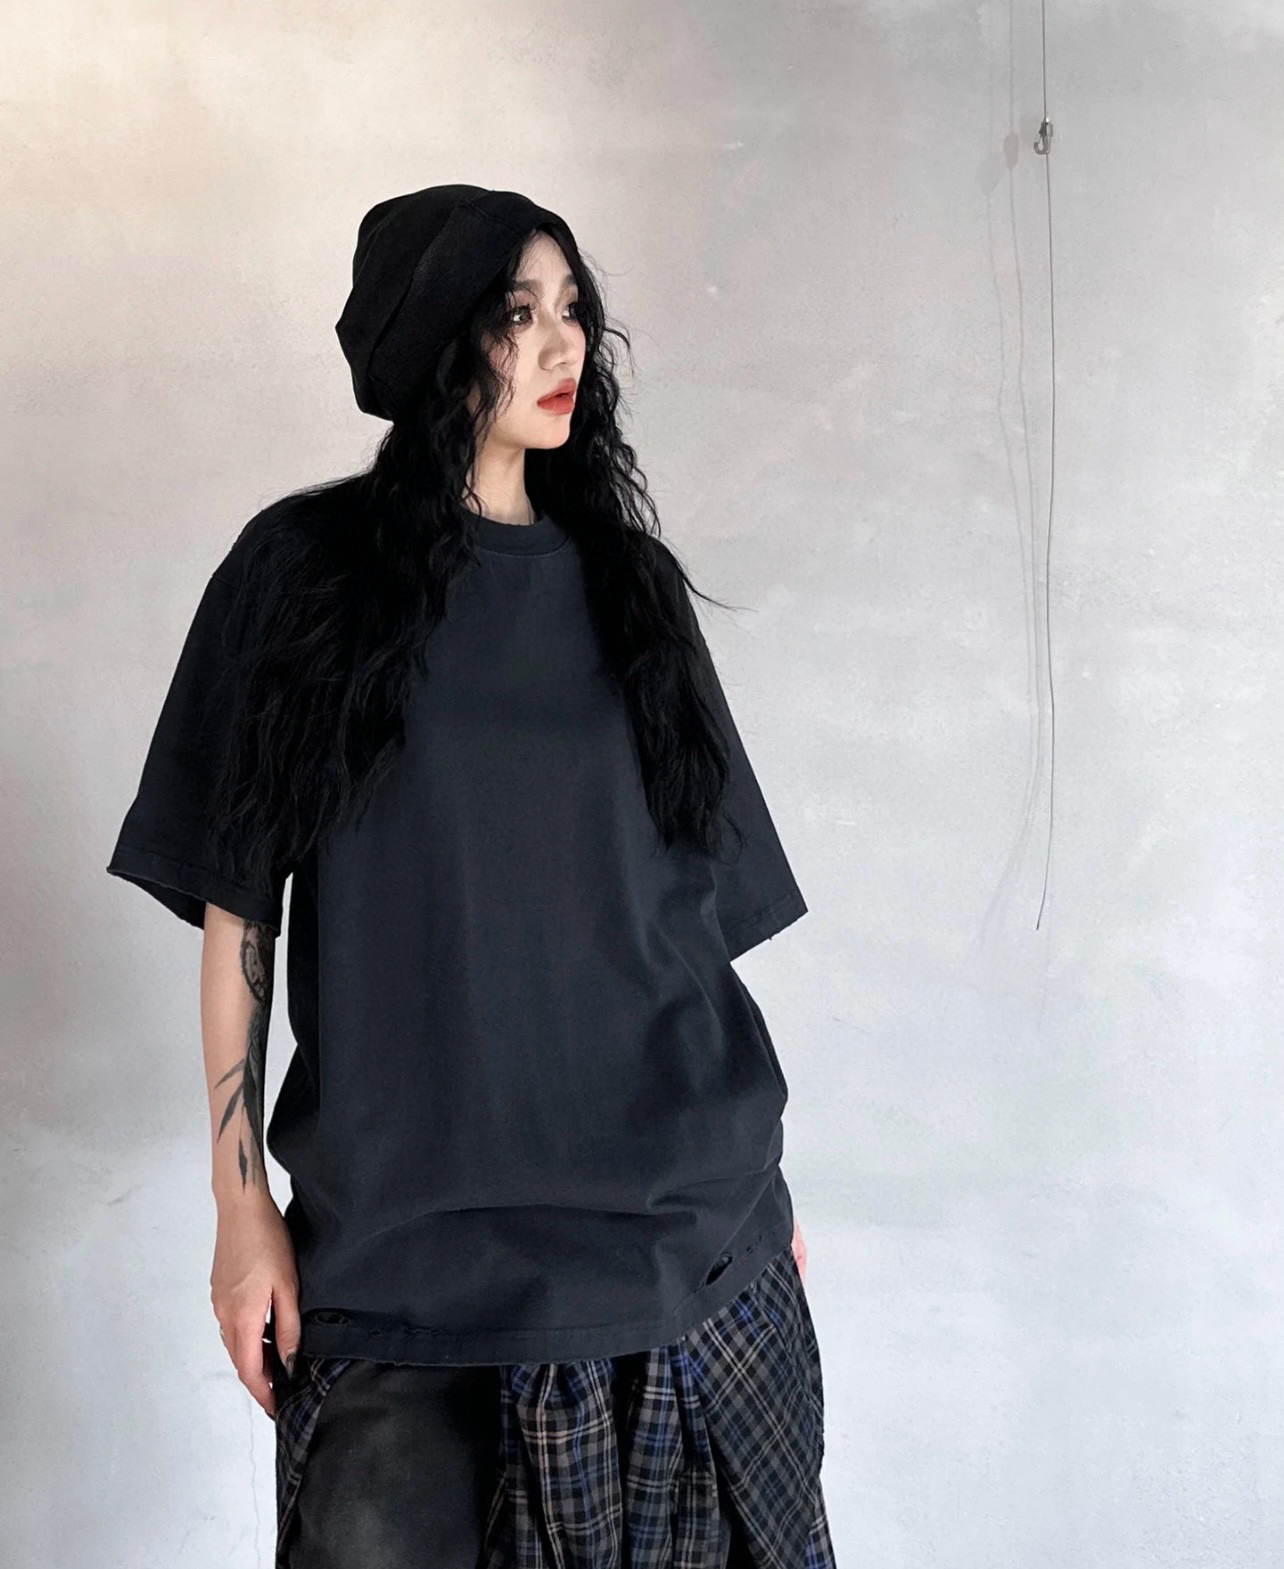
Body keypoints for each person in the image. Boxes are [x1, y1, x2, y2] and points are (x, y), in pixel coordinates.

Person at [105, 184, 834, 1568]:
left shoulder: (631, 589)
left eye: (573, 310)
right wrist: (241, 1204)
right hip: (406, 1283)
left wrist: (759, 1202)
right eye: (516, 313)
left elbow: (686, 924)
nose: (564, 346)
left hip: (687, 1263)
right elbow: (238, 909)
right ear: (435, 341)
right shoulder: (302, 576)